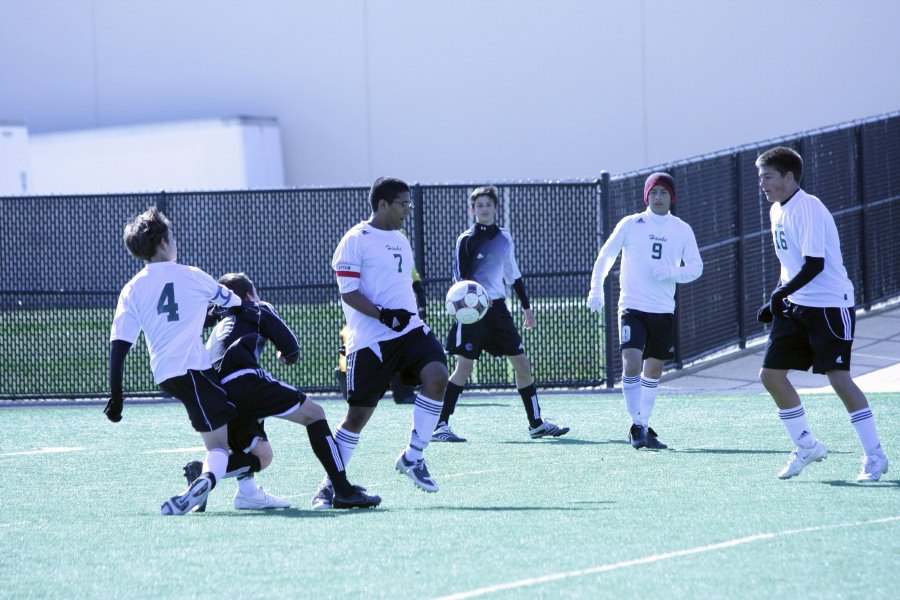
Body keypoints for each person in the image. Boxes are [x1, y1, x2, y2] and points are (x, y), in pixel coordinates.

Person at [183, 272, 380, 511]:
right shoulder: (256, 307)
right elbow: (292, 349)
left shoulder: (218, 326)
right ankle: (343, 490)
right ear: (248, 294)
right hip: (243, 379)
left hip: (215, 392)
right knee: (315, 413)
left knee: (261, 455)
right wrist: (285, 356)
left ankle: (213, 480)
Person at [755, 146, 889, 482]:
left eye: (768, 177)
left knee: (839, 380)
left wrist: (781, 293)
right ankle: (807, 445)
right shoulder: (776, 211)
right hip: (795, 306)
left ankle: (875, 456)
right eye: (761, 178)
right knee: (771, 376)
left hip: (830, 305)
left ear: (788, 176)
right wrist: (778, 296)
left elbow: (815, 263)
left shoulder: (809, 208)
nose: (763, 184)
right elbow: (791, 263)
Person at [314, 176, 449, 509]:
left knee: (437, 376)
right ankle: (330, 486)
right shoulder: (355, 239)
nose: (407, 209)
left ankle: (413, 457)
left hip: (411, 331)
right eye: (403, 203)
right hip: (371, 340)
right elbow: (348, 292)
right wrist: (384, 316)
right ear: (383, 204)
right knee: (358, 415)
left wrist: (407, 314)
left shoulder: (401, 240)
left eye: (408, 204)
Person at [105, 206, 245, 516]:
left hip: (168, 374)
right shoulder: (191, 275)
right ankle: (204, 480)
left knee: (232, 425)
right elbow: (234, 304)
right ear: (165, 242)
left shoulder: (133, 288)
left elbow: (120, 344)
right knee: (220, 447)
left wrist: (116, 394)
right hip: (193, 371)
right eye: (173, 235)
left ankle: (228, 483)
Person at [434, 185, 569, 442]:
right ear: (472, 210)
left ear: (496, 208)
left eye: (488, 205)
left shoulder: (505, 238)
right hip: (474, 315)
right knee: (464, 367)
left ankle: (536, 423)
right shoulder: (466, 239)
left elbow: (512, 274)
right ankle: (440, 425)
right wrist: (476, 303)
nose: (484, 209)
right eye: (479, 205)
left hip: (500, 312)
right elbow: (460, 280)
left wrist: (526, 307)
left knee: (522, 364)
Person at [587, 173, 703, 449]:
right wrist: (595, 290)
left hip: (663, 309)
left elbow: (696, 268)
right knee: (631, 362)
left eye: (663, 193)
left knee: (653, 370)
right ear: (646, 196)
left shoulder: (681, 229)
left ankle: (642, 425)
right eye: (654, 193)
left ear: (671, 197)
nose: (658, 198)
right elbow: (606, 256)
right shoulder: (631, 224)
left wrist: (670, 272)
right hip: (632, 306)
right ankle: (637, 424)